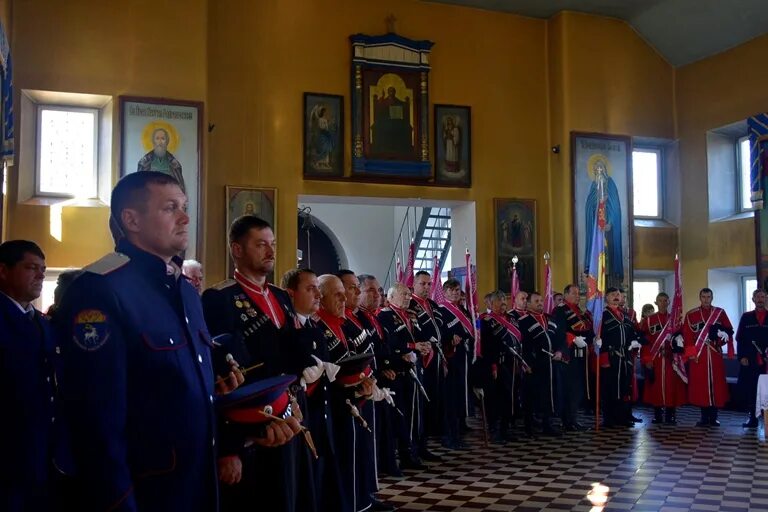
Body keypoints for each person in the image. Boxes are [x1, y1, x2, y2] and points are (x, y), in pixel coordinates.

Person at [53, 172, 242, 512]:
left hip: (196, 482)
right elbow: (95, 419)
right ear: (132, 219)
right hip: (147, 491)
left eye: (184, 207)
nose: (185, 217)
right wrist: (119, 502)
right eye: (171, 208)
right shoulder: (101, 289)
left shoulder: (184, 290)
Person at [201, 215, 310, 512]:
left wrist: (295, 401)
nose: (271, 252)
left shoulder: (279, 296)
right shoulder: (219, 298)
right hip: (247, 429)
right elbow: (220, 379)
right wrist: (227, 447)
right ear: (237, 249)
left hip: (287, 417)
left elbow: (289, 359)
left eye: (272, 244)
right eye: (260, 244)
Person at [0, 240, 58, 511]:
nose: (40, 276)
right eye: (31, 268)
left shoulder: (40, 323)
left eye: (43, 270)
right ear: (4, 271)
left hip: (40, 447)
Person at [315, 274, 376, 512]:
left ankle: (358, 501)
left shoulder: (341, 323)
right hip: (334, 406)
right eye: (337, 294)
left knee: (355, 458)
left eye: (345, 293)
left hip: (355, 400)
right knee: (340, 465)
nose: (345, 299)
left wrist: (365, 382)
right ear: (321, 297)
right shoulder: (319, 326)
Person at [377, 284, 432, 470]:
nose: (408, 297)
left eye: (409, 294)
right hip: (398, 371)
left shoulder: (411, 315)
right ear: (391, 297)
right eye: (404, 294)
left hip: (414, 368)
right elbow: (391, 342)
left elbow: (419, 336)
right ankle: (406, 453)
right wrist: (412, 346)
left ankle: (417, 447)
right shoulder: (384, 316)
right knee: (403, 414)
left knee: (416, 411)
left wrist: (424, 345)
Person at [683, 288, 734, 427]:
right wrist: (692, 354)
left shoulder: (720, 313)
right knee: (701, 386)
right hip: (698, 355)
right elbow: (687, 336)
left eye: (708, 297)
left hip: (714, 353)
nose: (706, 299)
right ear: (700, 298)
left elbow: (728, 330)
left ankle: (714, 417)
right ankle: (704, 417)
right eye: (703, 297)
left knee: (716, 385)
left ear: (712, 297)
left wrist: (723, 338)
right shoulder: (691, 315)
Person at [479, 290, 524, 443]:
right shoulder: (485, 320)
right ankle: (495, 430)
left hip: (512, 363)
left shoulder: (511, 318)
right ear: (490, 303)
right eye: (499, 300)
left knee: (509, 397)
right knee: (496, 399)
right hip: (496, 364)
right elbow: (485, 346)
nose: (503, 302)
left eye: (504, 299)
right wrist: (492, 366)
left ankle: (505, 429)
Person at [517, 291, 564, 436]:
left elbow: (559, 338)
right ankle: (528, 426)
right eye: (536, 301)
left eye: (541, 300)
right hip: (533, 364)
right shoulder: (523, 321)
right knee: (531, 395)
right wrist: (526, 363)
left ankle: (547, 424)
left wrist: (560, 351)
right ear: (528, 303)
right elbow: (521, 345)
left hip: (550, 364)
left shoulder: (550, 319)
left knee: (548, 394)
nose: (540, 303)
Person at [410, 270, 447, 446]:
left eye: (429, 284)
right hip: (422, 356)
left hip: (438, 356)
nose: (426, 287)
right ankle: (421, 436)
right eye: (422, 284)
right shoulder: (410, 304)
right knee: (423, 398)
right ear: (414, 285)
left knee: (437, 394)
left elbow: (442, 329)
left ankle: (433, 431)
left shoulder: (432, 304)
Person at [598, 287, 643, 428]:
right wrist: (603, 357)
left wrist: (634, 342)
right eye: (613, 295)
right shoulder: (602, 315)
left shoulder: (625, 315)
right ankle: (609, 419)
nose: (616, 297)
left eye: (618, 294)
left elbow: (631, 332)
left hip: (625, 356)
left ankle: (622, 417)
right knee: (610, 388)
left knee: (624, 388)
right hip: (611, 356)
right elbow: (597, 336)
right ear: (606, 298)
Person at [639, 293, 686, 425]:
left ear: (669, 302)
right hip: (656, 358)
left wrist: (677, 343)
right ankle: (658, 415)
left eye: (665, 301)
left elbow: (682, 338)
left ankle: (670, 415)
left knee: (672, 387)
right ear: (656, 302)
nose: (663, 303)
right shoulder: (649, 320)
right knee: (656, 387)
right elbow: (645, 343)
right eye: (660, 300)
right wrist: (647, 360)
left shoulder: (675, 320)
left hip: (671, 359)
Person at [437, 278, 474, 449]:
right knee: (450, 398)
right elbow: (439, 333)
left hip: (462, 357)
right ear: (444, 292)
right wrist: (449, 340)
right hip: (449, 358)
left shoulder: (464, 311)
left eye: (457, 290)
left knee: (460, 396)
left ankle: (459, 431)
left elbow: (469, 330)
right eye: (450, 290)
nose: (454, 293)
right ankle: (449, 436)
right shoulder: (441, 311)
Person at [553, 284, 595, 431]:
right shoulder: (560, 310)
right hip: (568, 355)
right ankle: (567, 420)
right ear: (566, 294)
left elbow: (587, 328)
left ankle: (573, 418)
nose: (578, 296)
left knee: (577, 389)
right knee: (569, 388)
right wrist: (572, 339)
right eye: (575, 293)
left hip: (581, 355)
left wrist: (593, 339)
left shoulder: (579, 312)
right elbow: (558, 331)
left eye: (579, 294)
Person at [584, 157, 623, 287]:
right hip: (597, 230)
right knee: (597, 256)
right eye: (596, 170)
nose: (598, 172)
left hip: (608, 230)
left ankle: (610, 284)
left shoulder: (610, 184)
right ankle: (597, 284)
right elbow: (589, 206)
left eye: (600, 169)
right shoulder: (593, 186)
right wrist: (597, 203)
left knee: (608, 257)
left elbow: (615, 207)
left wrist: (610, 223)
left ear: (605, 170)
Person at [735, 289, 768, 428]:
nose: (760, 299)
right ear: (753, 299)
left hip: (767, 362)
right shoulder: (746, 317)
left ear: (766, 299)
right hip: (750, 360)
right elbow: (739, 338)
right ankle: (753, 419)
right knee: (752, 389)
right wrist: (741, 356)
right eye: (757, 297)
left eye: (763, 297)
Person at [137, 127, 185, 192]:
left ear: (167, 142)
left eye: (163, 139)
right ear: (153, 141)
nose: (160, 142)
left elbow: (180, 189)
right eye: (157, 138)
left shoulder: (174, 164)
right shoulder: (144, 162)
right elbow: (137, 187)